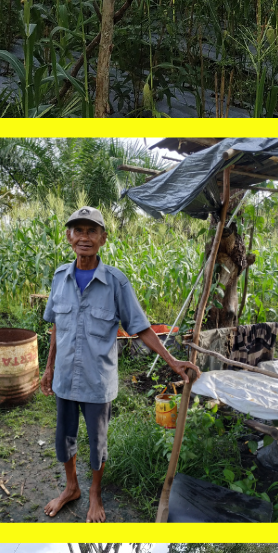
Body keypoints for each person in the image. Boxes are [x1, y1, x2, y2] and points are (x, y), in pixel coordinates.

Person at [41, 207, 199, 522]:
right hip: (64, 379)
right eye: (78, 230)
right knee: (64, 438)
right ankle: (71, 488)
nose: (84, 237)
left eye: (91, 230)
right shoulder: (60, 277)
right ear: (69, 236)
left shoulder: (116, 282)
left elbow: (140, 327)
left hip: (97, 380)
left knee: (97, 442)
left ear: (103, 238)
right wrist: (48, 368)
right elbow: (56, 325)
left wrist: (171, 359)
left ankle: (95, 495)